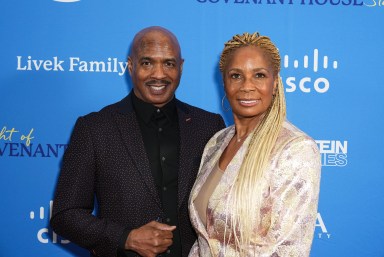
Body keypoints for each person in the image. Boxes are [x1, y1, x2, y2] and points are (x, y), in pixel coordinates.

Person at [50, 26, 225, 257]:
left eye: (169, 63)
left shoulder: (209, 126)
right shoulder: (95, 129)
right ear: (131, 66)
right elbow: (66, 214)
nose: (159, 74)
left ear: (181, 68)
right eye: (147, 63)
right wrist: (126, 238)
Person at [188, 32, 321, 257]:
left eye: (259, 75)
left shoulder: (295, 149)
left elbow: (289, 250)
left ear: (275, 83)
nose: (247, 86)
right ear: (224, 83)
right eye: (236, 76)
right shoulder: (216, 143)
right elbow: (205, 240)